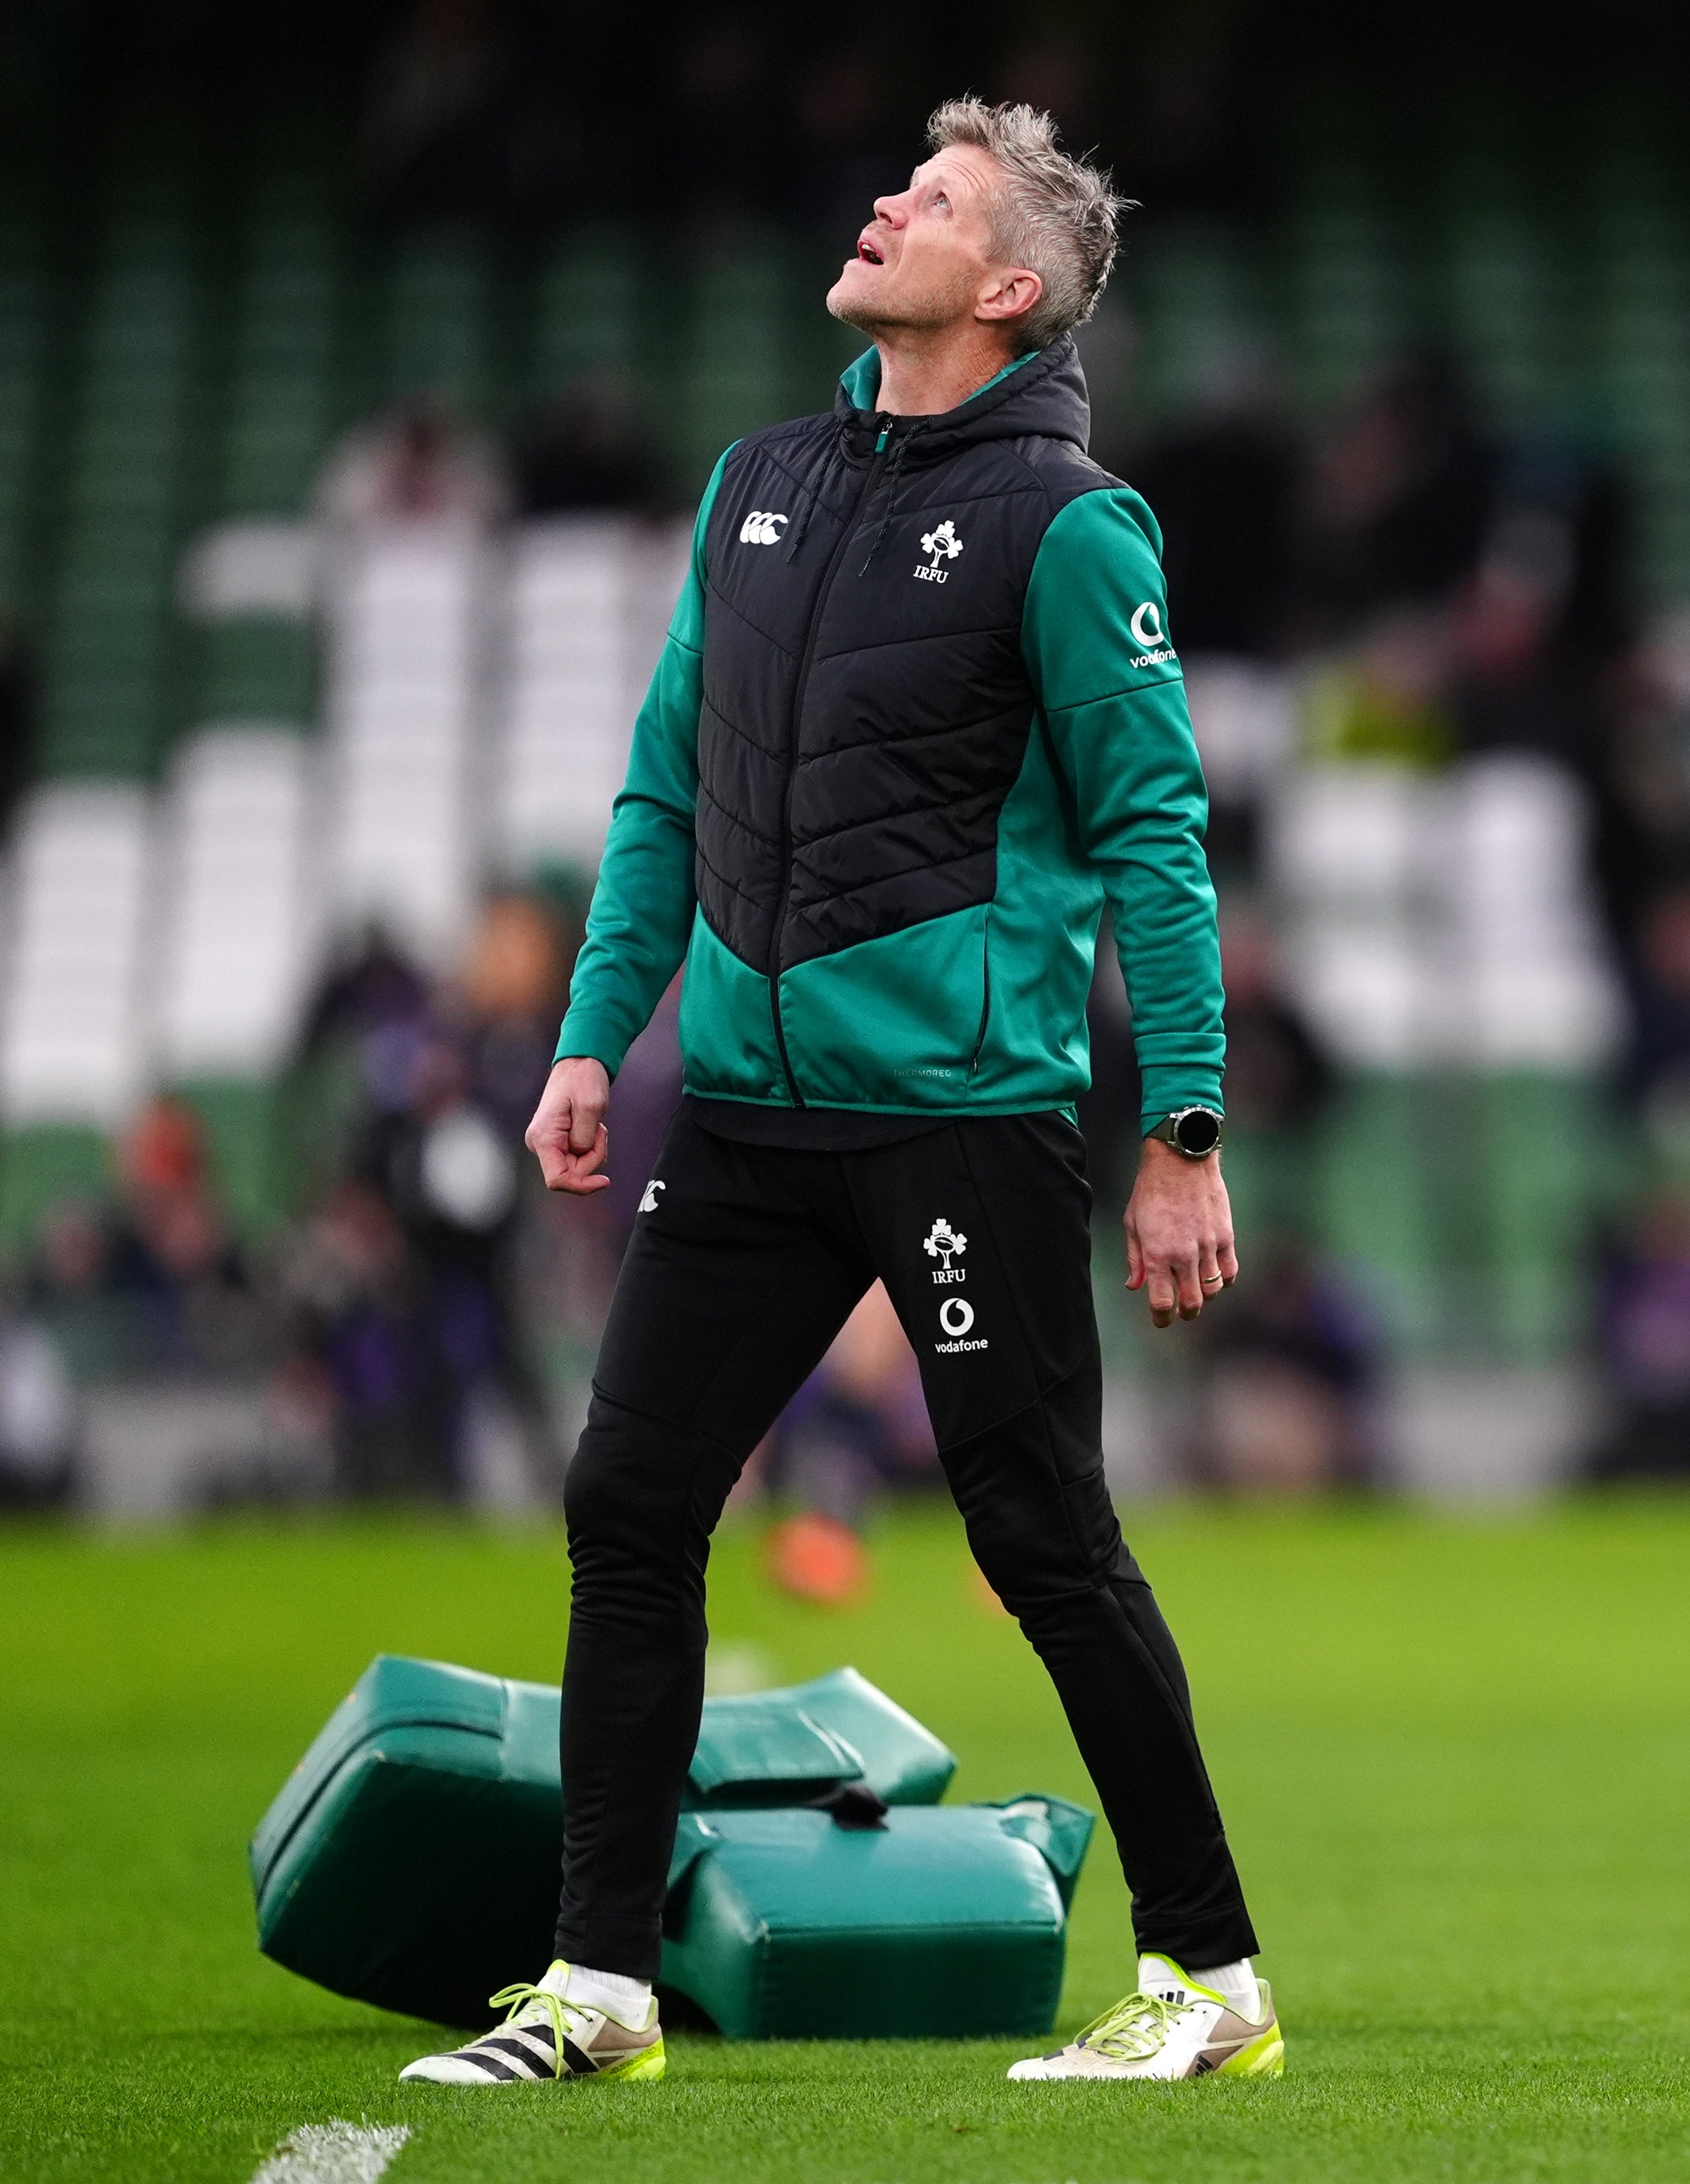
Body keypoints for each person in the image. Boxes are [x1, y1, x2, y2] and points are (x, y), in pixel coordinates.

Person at [401, 98, 1279, 2091]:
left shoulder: (1073, 524)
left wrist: (1184, 1132)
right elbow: (663, 787)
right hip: (746, 1117)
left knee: (1040, 1533)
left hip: (958, 1118)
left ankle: (1211, 1983)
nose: (888, 203)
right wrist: (588, 1035)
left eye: (939, 200)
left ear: (1010, 287)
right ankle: (600, 1987)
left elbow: (1158, 832)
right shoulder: (757, 484)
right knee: (630, 1500)